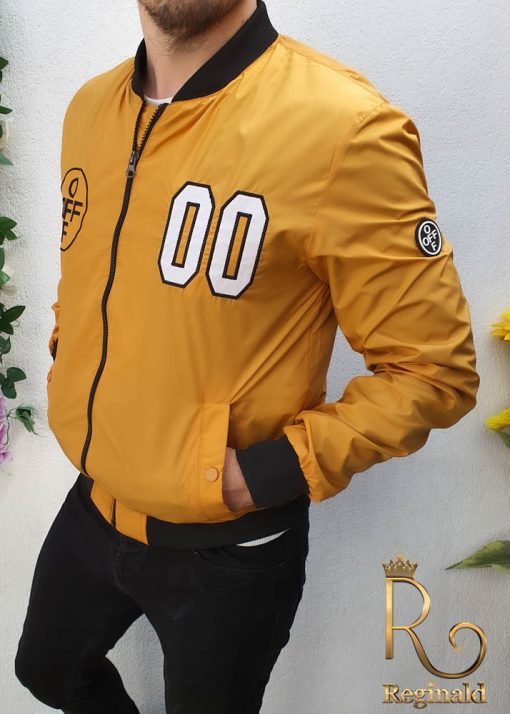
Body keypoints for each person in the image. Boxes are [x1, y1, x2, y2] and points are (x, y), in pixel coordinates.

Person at [14, 0, 480, 712]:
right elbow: (87, 286)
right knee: (46, 672)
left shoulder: (344, 128)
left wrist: (258, 474)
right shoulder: (90, 109)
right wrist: (67, 372)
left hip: (230, 549)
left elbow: (433, 372)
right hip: (94, 501)